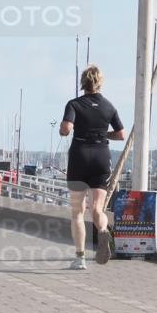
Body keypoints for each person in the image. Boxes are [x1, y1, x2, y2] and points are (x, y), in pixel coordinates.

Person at [59, 64, 125, 269]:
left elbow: (66, 129)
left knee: (78, 211)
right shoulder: (109, 106)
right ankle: (103, 231)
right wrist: (102, 134)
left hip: (80, 157)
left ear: (83, 83)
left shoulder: (74, 104)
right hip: (101, 156)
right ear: (100, 83)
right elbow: (121, 135)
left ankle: (80, 258)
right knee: (97, 208)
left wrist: (65, 129)